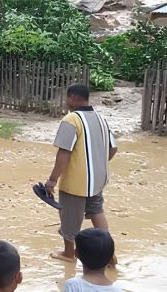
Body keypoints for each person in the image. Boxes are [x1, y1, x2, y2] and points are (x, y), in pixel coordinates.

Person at [45, 84, 118, 264]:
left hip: (76, 183)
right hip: (98, 181)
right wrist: (97, 165)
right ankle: (109, 253)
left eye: (67, 98)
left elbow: (64, 152)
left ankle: (69, 254)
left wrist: (52, 180)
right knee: (96, 211)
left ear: (72, 98)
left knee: (70, 216)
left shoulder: (72, 119)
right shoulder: (101, 118)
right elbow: (113, 148)